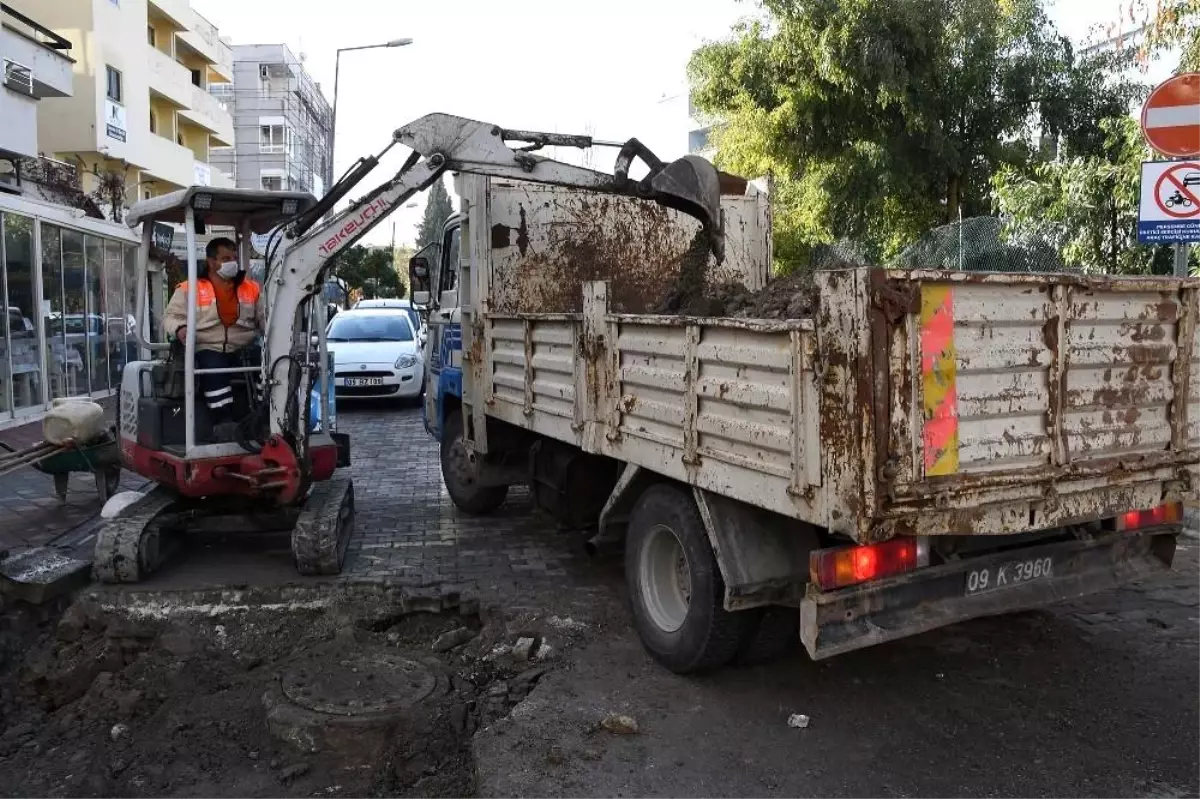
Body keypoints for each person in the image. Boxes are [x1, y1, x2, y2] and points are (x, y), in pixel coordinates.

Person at [162, 237, 264, 440]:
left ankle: (263, 413)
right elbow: (170, 317)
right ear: (211, 261)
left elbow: (264, 318)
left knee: (269, 364)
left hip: (244, 344)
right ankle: (223, 421)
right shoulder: (189, 288)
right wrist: (180, 328)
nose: (232, 262)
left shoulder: (251, 288)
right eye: (226, 258)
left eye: (234, 257)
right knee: (213, 366)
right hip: (208, 344)